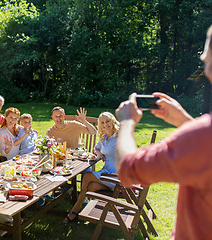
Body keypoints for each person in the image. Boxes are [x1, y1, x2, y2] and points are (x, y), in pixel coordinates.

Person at [114, 26, 212, 240]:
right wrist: (186, 122)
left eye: (206, 60)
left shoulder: (203, 137)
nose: (205, 68)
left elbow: (128, 170)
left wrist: (127, 122)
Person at [63, 112, 119, 223]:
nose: (105, 124)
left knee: (87, 176)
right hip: (106, 172)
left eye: (108, 121)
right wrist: (98, 154)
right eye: (102, 122)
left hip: (116, 176)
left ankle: (75, 209)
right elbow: (95, 148)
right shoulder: (104, 137)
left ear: (113, 121)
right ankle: (83, 205)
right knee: (91, 187)